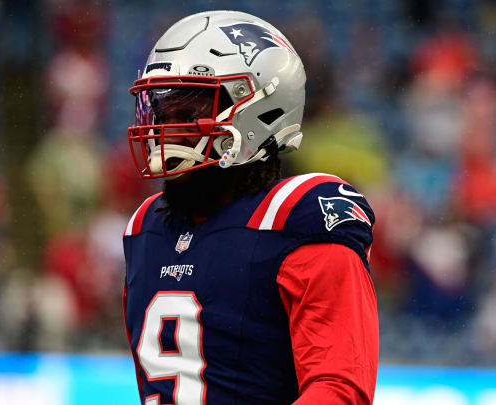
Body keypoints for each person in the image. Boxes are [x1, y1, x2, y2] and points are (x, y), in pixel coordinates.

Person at [122, 10, 378, 405]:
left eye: (189, 115)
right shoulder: (145, 229)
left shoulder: (298, 216)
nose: (167, 132)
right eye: (162, 114)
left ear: (259, 110)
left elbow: (338, 390)